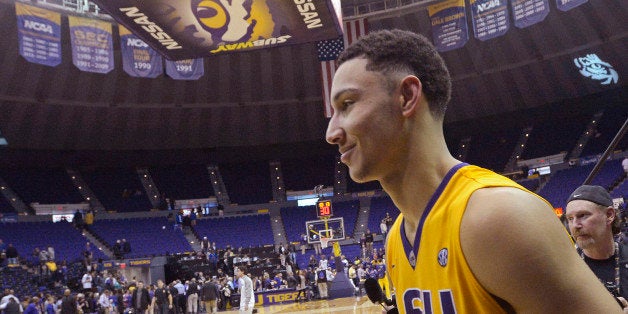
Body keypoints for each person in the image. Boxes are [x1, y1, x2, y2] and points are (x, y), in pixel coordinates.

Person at [325, 29, 621, 313]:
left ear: (406, 96)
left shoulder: (499, 219)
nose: (331, 132)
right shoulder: (396, 241)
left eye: (347, 104)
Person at [565, 185, 628, 307]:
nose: (575, 225)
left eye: (583, 215)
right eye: (570, 218)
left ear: (609, 215)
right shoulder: (563, 269)